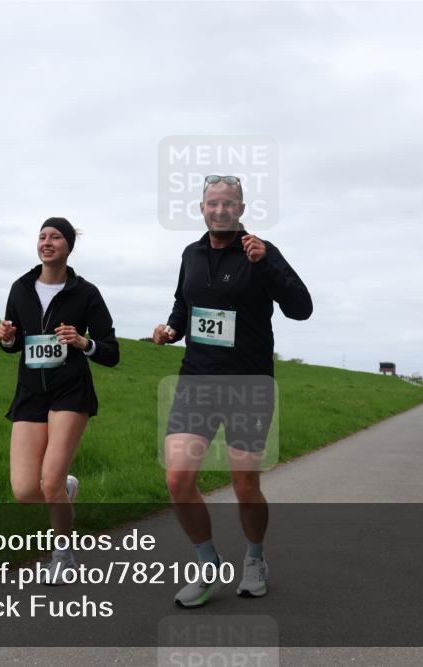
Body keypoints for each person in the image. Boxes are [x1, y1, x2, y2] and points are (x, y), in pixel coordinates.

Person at [153, 175, 313, 607]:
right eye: (212, 202)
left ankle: (256, 559)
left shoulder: (259, 251)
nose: (219, 209)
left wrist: (268, 265)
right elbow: (184, 305)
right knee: (177, 479)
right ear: (201, 208)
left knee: (244, 484)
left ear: (242, 209)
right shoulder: (190, 254)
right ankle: (207, 565)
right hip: (196, 382)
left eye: (228, 203)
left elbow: (302, 309)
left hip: (248, 384)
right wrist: (172, 329)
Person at [0, 217, 119, 583]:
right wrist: (5, 338)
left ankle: (63, 555)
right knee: (24, 490)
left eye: (55, 237)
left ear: (68, 247)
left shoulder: (86, 293)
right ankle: (65, 490)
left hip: (71, 391)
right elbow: (14, 342)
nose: (47, 242)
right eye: (42, 236)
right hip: (31, 392)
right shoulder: (20, 288)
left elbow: (111, 352)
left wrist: (84, 343)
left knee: (48, 481)